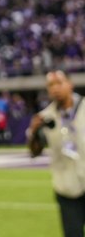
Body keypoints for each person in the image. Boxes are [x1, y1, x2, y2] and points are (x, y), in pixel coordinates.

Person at [28, 70, 85, 237]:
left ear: (70, 84)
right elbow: (35, 152)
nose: (55, 88)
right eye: (50, 85)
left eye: (59, 83)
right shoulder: (45, 117)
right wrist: (34, 132)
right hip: (66, 187)